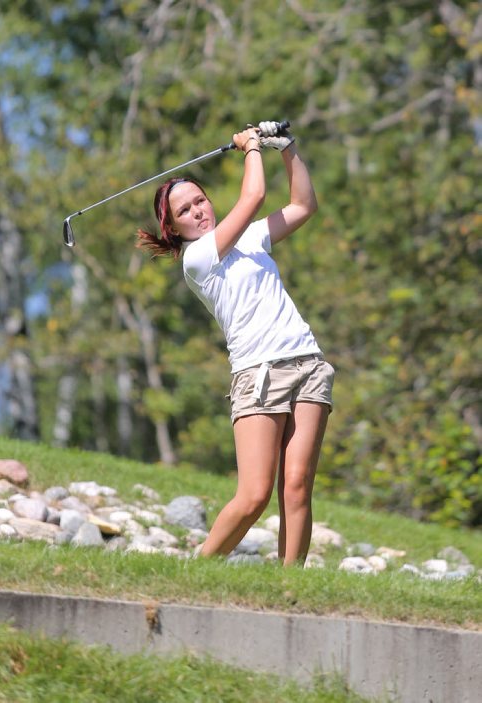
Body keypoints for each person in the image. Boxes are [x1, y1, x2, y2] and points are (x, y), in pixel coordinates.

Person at [136, 121, 334, 565]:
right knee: (254, 495)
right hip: (258, 375)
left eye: (200, 200)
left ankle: (291, 590)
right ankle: (197, 571)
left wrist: (287, 148)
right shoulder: (198, 258)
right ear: (173, 228)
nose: (199, 211)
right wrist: (249, 148)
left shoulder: (250, 237)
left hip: (307, 363)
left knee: (298, 485)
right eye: (185, 211)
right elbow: (254, 196)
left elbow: (304, 204)